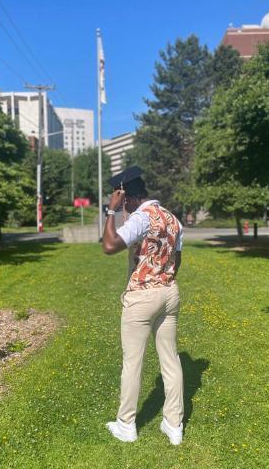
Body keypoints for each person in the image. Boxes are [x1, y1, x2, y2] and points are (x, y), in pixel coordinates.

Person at [102, 166, 184, 445]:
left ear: (128, 197)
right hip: (169, 293)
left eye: (122, 201)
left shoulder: (141, 217)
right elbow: (177, 259)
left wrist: (110, 212)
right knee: (170, 360)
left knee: (133, 363)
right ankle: (174, 425)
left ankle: (126, 425)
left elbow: (110, 245)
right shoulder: (173, 219)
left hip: (142, 297)